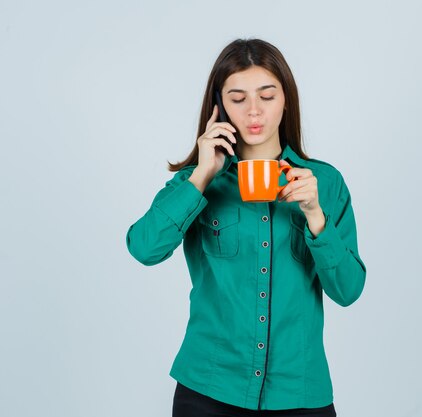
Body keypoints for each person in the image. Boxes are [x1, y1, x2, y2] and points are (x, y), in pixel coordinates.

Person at [126, 38, 366, 417]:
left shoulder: (325, 183)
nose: (254, 111)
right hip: (209, 389)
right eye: (238, 99)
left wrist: (315, 216)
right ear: (218, 106)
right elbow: (143, 248)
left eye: (267, 96)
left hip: (299, 394)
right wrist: (204, 174)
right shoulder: (197, 182)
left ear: (286, 99)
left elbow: (349, 290)